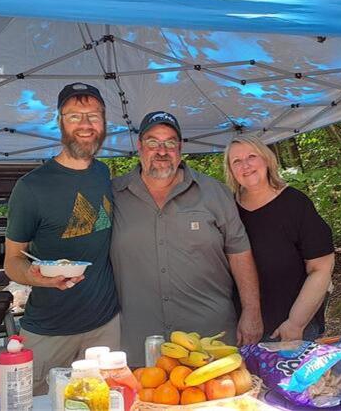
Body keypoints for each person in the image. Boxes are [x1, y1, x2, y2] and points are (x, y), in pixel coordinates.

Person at [110, 111, 263, 364]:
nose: (162, 151)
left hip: (210, 339)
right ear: (139, 146)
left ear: (180, 148)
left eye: (170, 142)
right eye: (153, 142)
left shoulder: (215, 192)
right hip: (139, 342)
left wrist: (252, 311)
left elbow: (239, 253)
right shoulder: (113, 195)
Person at [4, 82, 120, 393]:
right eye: (75, 116)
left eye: (94, 115)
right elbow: (12, 261)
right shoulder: (31, 187)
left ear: (104, 123)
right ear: (60, 122)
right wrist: (37, 277)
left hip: (105, 328)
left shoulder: (103, 174)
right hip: (49, 331)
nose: (86, 124)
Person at [224, 135, 335, 342]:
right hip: (243, 331)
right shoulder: (227, 210)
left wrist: (295, 323)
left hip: (292, 330)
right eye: (236, 161)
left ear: (266, 159)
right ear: (230, 171)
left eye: (251, 156)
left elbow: (321, 268)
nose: (245, 165)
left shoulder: (295, 204)